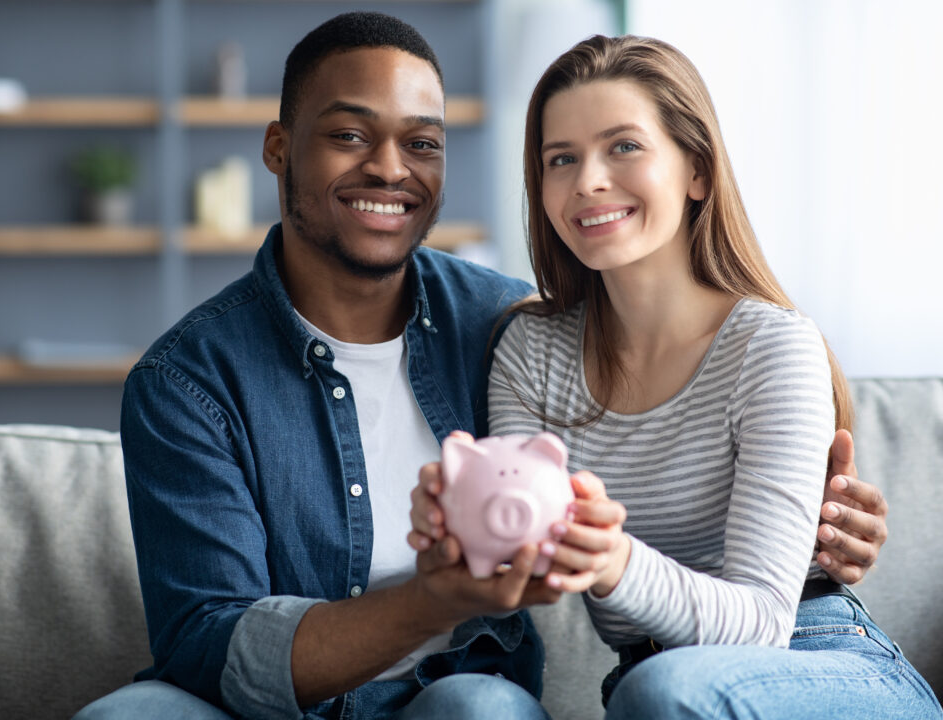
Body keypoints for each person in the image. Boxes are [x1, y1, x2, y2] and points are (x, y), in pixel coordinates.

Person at [75, 14, 889, 720]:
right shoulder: (189, 380)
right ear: (279, 149)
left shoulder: (497, 323)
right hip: (306, 698)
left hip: (539, 679)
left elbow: (734, 597)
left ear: (698, 169)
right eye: (350, 134)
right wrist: (449, 583)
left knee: (502, 705)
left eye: (421, 143)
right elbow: (207, 639)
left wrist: (822, 533)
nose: (391, 168)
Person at [411, 33, 941, 719]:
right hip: (650, 683)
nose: (589, 180)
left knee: (662, 690)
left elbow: (761, 625)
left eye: (623, 146)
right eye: (560, 159)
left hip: (816, 661)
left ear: (695, 169)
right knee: (465, 705)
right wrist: (461, 522)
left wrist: (611, 561)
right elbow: (525, 548)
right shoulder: (530, 352)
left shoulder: (771, 345)